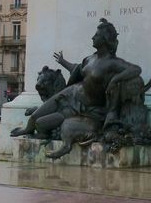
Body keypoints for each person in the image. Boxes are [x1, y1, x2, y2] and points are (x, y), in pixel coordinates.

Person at [10, 19, 141, 138]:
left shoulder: (112, 62)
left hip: (83, 106)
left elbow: (135, 69)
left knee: (40, 123)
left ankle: (44, 131)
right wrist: (63, 62)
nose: (93, 37)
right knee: (34, 117)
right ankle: (27, 129)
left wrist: (115, 79)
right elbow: (77, 69)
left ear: (105, 39)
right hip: (69, 93)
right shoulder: (90, 58)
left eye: (96, 35)